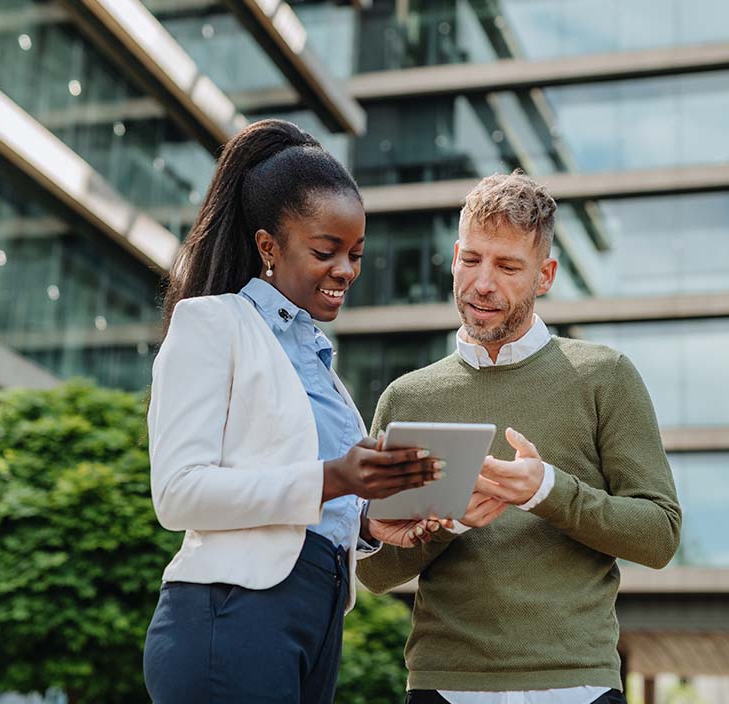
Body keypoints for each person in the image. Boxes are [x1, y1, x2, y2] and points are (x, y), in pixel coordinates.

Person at [143, 119, 446, 704]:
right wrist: (336, 477)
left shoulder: (321, 368)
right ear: (267, 247)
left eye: (355, 254)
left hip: (316, 619)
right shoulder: (214, 324)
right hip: (232, 617)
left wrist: (367, 522)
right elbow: (177, 494)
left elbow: (308, 499)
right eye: (325, 251)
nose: (346, 271)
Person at [356, 171, 682, 704]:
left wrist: (546, 491)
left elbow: (660, 535)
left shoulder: (605, 377)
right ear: (456, 256)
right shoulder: (406, 399)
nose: (483, 283)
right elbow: (373, 571)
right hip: (445, 686)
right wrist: (450, 519)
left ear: (545, 275)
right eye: (471, 260)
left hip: (577, 683)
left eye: (508, 266)